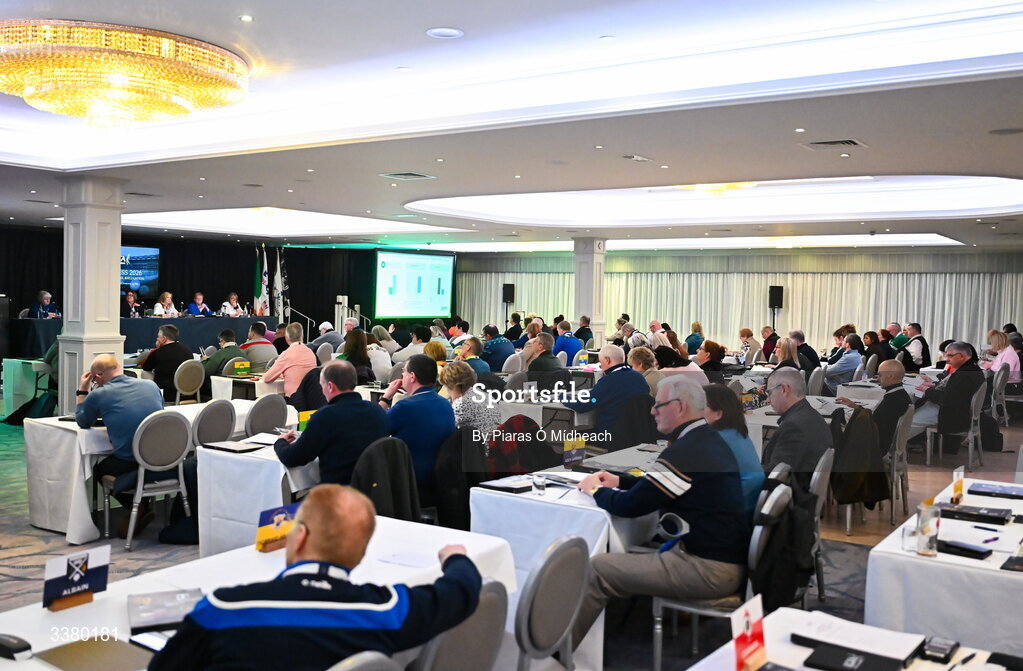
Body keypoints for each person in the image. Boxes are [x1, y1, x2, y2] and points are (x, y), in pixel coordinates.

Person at [149, 485, 481, 670]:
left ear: (301, 536)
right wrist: (454, 557)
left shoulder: (223, 609)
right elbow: (460, 591)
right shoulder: (385, 611)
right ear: (360, 553)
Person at [570, 376, 749, 648]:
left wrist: (595, 489)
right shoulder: (705, 439)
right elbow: (658, 487)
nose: (652, 412)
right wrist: (619, 481)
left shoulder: (686, 450)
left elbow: (630, 506)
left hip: (707, 568)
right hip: (723, 558)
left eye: (658, 405)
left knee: (598, 568)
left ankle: (558, 654)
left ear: (678, 407)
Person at [76, 354, 164, 538]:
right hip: (162, 457)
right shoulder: (151, 385)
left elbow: (83, 422)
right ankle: (141, 502)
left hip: (130, 459)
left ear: (97, 377)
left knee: (100, 470)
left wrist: (82, 392)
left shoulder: (100, 394)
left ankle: (136, 503)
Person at [274, 362, 389, 485]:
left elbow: (294, 458)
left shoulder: (325, 416)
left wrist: (280, 442)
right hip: (375, 490)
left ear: (330, 386)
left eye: (321, 386)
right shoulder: (377, 411)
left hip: (337, 494)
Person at [378, 354, 456, 498]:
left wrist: (385, 397)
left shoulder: (405, 407)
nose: (402, 375)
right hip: (440, 481)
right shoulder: (446, 404)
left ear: (412, 377)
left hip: (410, 483)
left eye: (404, 372)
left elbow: (373, 428)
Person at [761, 367, 832, 491]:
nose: (768, 400)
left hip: (788, 500)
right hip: (801, 491)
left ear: (783, 389)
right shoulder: (810, 415)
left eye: (769, 393)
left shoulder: (794, 426)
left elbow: (775, 476)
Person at [703, 383, 765, 516]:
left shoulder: (717, 441)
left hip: (730, 515)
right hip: (746, 507)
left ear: (718, 413)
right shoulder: (738, 434)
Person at [909, 341, 985, 441]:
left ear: (961, 356)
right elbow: (954, 390)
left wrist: (926, 390)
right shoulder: (971, 368)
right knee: (912, 412)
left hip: (951, 414)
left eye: (950, 356)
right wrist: (933, 384)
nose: (947, 360)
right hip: (956, 410)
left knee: (908, 421)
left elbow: (946, 399)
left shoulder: (964, 374)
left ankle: (892, 448)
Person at [562, 344, 649, 433]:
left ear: (607, 360)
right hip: (636, 431)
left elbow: (582, 405)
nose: (600, 366)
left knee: (570, 438)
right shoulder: (639, 377)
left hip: (610, 434)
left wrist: (563, 397)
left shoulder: (608, 381)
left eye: (600, 362)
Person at [836, 359, 910, 455]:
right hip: (878, 440)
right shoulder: (899, 395)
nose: (878, 379)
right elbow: (878, 418)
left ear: (890, 376)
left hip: (873, 447)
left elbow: (875, 424)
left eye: (880, 375)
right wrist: (855, 406)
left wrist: (853, 421)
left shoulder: (893, 400)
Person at [440, 361, 500, 436]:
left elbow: (444, 429)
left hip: (476, 446)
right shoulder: (486, 396)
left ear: (449, 383)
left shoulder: (461, 403)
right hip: (492, 444)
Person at [263, 322, 318, 400]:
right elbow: (299, 372)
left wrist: (278, 373)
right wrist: (282, 374)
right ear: (302, 336)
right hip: (312, 398)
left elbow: (267, 378)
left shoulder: (287, 354)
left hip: (294, 399)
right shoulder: (310, 352)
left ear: (286, 338)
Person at [140, 324, 193, 402]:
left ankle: (151, 399)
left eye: (158, 337)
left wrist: (157, 348)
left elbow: (145, 367)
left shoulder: (158, 353)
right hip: (188, 390)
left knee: (145, 373)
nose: (157, 338)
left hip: (167, 392)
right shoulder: (187, 350)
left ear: (164, 339)